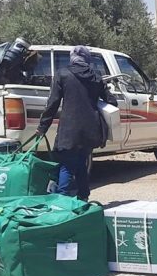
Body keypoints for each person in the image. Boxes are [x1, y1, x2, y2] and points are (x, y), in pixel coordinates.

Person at [35, 45, 117, 201]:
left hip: (69, 130)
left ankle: (62, 200)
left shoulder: (62, 74)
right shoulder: (96, 76)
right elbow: (111, 101)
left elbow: (52, 103)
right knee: (80, 162)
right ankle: (83, 197)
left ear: (72, 58)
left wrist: (42, 127)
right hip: (91, 129)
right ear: (87, 58)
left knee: (67, 164)